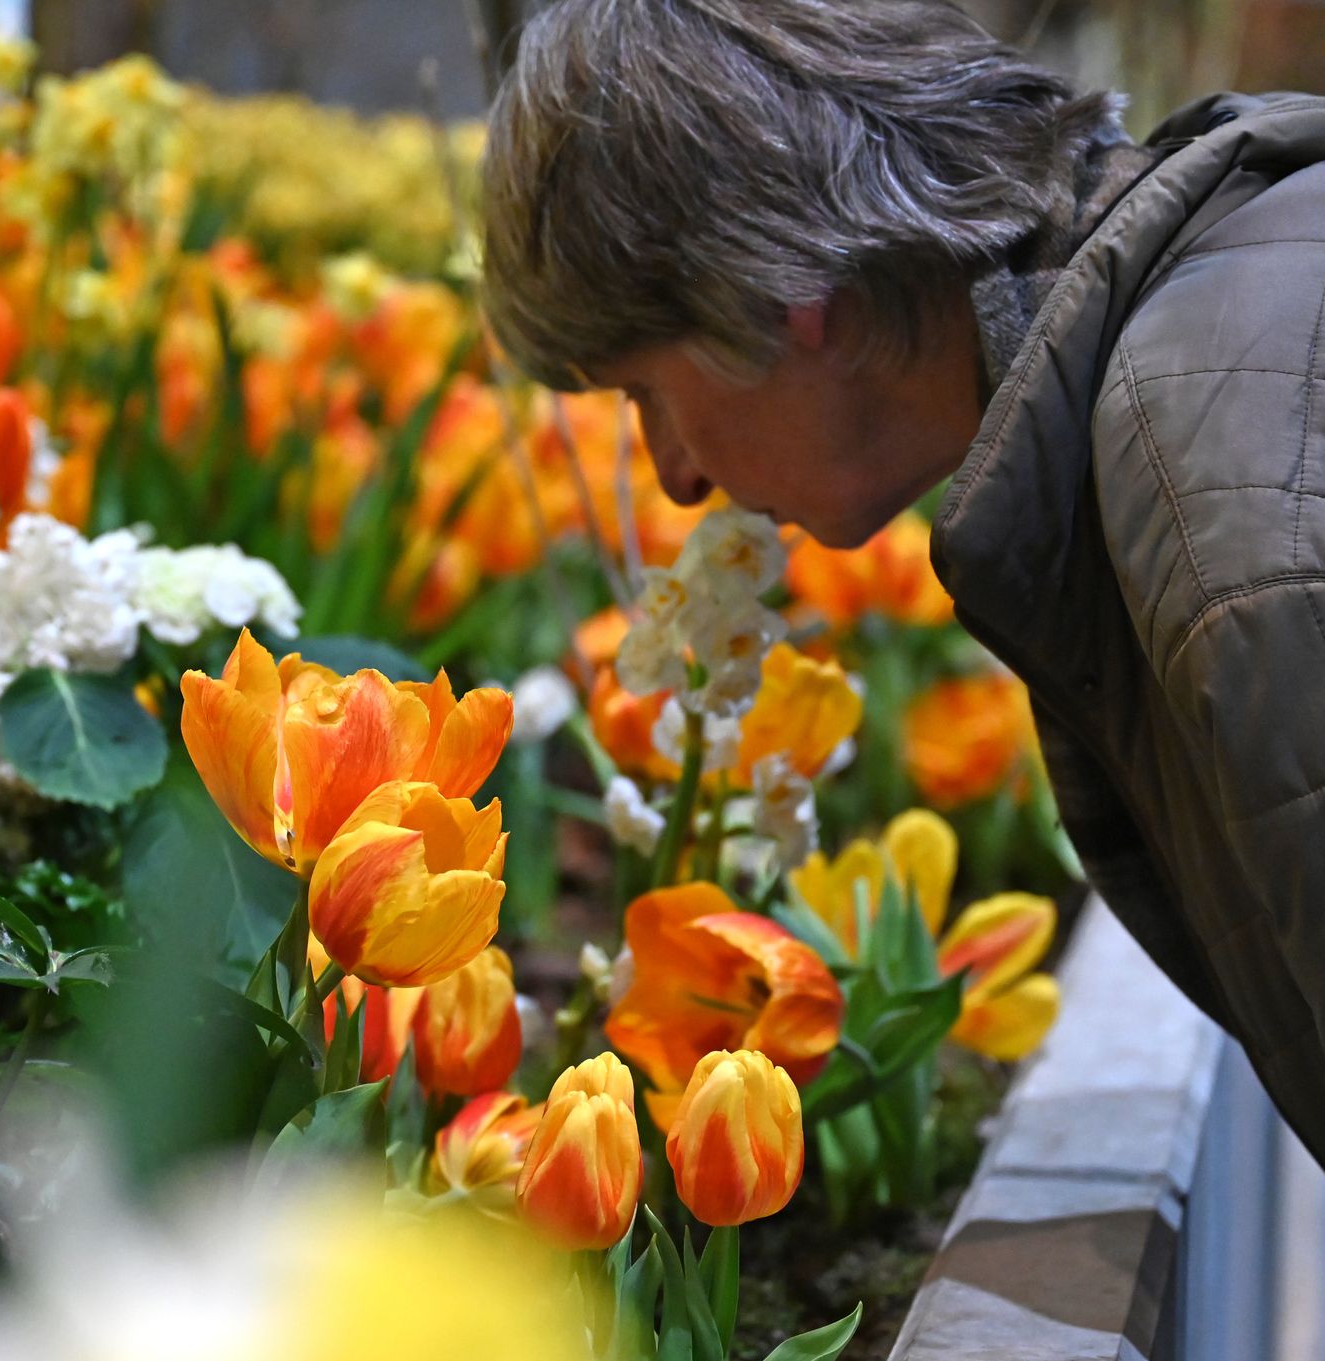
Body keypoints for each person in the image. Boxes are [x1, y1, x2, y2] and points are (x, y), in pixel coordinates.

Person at [480, 0, 1325, 1161]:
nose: (672, 476)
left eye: (644, 393)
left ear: (777, 288)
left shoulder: (1217, 504)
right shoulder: (1220, 319)